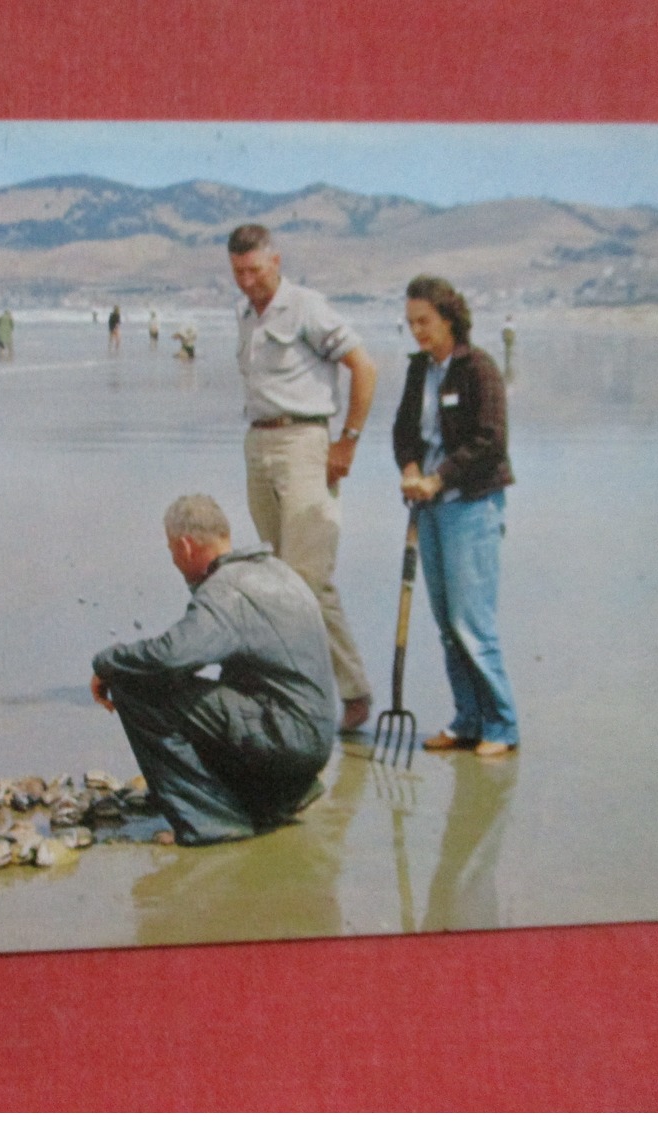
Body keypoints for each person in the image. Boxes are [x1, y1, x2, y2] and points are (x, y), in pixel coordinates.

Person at [90, 495, 335, 846]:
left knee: (133, 685)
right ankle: (274, 799)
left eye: (171, 549)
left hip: (289, 740)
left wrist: (107, 663)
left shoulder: (227, 590)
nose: (174, 559)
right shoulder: (277, 571)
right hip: (312, 740)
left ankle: (210, 821)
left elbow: (171, 655)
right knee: (197, 684)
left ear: (186, 546)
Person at [226, 223, 375, 732]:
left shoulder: (306, 306)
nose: (247, 281)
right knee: (277, 579)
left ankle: (354, 691)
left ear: (276, 261)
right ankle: (289, 691)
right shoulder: (245, 315)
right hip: (259, 443)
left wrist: (347, 441)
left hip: (305, 443)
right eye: (238, 272)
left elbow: (364, 368)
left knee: (309, 579)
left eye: (255, 270)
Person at [393, 275, 519, 759]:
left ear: (449, 318)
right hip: (427, 509)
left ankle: (502, 724)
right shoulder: (417, 370)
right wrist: (409, 468)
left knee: (472, 623)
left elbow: (490, 441)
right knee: (446, 622)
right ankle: (468, 719)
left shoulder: (479, 368)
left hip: (471, 505)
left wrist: (437, 477)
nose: (418, 331)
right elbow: (405, 432)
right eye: (410, 323)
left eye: (424, 321)